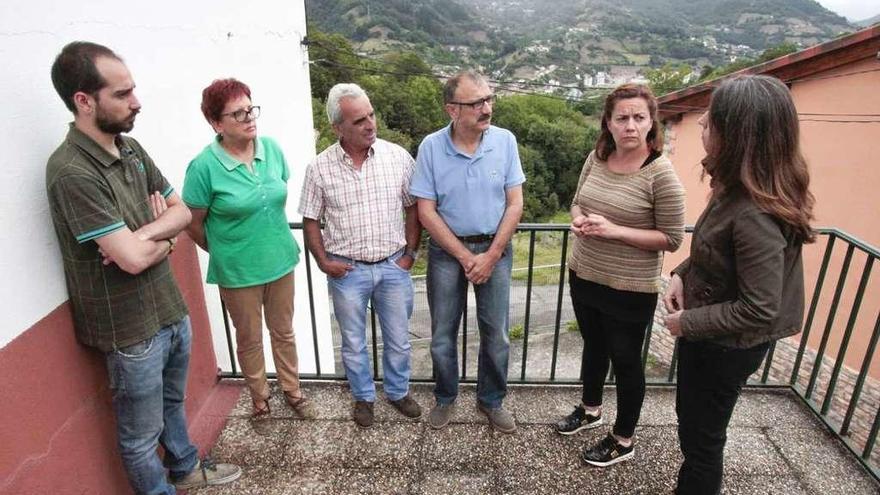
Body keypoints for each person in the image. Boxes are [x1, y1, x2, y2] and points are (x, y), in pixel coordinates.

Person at [46, 42, 240, 493]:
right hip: (129, 329)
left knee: (172, 402)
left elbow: (182, 213)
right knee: (138, 436)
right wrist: (157, 236)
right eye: (123, 93)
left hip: (167, 308)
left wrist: (154, 233)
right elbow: (130, 262)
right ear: (84, 100)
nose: (136, 101)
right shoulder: (72, 171)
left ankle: (186, 468)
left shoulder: (129, 148)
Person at [663, 75, 814, 494]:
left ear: (737, 135)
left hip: (725, 346)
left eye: (711, 122)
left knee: (702, 440)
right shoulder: (738, 187)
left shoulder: (754, 214)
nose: (700, 125)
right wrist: (682, 273)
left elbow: (760, 307)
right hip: (716, 339)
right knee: (696, 428)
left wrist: (687, 323)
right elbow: (717, 250)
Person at [556, 83, 685, 467]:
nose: (630, 125)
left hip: (630, 288)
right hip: (585, 274)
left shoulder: (660, 173)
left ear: (651, 124)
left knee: (627, 361)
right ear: (608, 124)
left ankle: (623, 439)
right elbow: (577, 202)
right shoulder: (596, 158)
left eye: (638, 118)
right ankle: (591, 409)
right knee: (593, 348)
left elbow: (672, 239)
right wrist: (579, 221)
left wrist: (614, 231)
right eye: (622, 117)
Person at [182, 78, 316, 419]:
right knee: (249, 338)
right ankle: (260, 398)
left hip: (281, 258)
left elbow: (274, 197)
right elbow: (192, 221)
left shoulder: (270, 148)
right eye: (237, 113)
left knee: (284, 331)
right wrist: (223, 250)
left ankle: (293, 391)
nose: (248, 118)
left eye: (250, 109)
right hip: (237, 270)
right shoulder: (203, 167)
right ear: (216, 123)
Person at [298, 83, 422, 428]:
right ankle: (363, 397)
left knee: (398, 338)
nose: (370, 124)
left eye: (371, 115)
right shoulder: (319, 169)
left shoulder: (397, 157)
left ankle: (398, 392)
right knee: (353, 342)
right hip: (348, 271)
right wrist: (324, 262)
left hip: (393, 264)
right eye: (359, 121)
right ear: (338, 128)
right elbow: (310, 219)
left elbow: (414, 209)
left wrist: (410, 254)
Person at [410, 70, 525, 434]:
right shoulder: (430, 147)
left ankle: (491, 400)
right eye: (476, 102)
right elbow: (425, 210)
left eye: (489, 99)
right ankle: (445, 397)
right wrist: (464, 256)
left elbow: (515, 204)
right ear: (452, 110)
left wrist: (491, 255)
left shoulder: (505, 141)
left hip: (496, 248)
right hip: (447, 254)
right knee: (443, 333)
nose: (486, 107)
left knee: (497, 333)